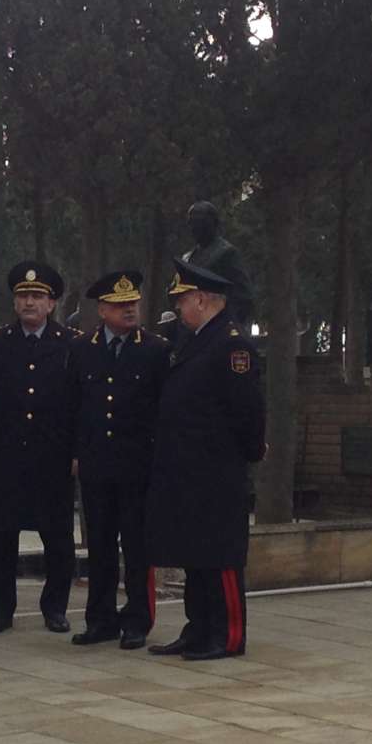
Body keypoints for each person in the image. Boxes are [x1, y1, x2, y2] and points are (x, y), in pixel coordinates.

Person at [147, 260, 265, 660]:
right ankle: (198, 628)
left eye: (182, 300)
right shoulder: (197, 339)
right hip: (190, 470)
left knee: (221, 557)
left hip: (218, 471)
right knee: (195, 555)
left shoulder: (231, 344)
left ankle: (227, 634)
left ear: (201, 299)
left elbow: (247, 411)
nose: (178, 308)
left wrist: (244, 458)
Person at [68, 271, 169, 650]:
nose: (130, 311)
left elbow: (162, 409)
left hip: (138, 464)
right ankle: (101, 619)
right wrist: (76, 452)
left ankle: (137, 620)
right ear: (102, 310)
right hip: (96, 465)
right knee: (100, 545)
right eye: (121, 305)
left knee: (138, 546)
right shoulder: (82, 350)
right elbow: (73, 406)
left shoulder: (155, 350)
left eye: (134, 304)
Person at [0, 261, 78, 634]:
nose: (29, 303)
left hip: (52, 458)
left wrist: (75, 452)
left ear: (51, 303)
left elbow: (77, 404)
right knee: (1, 538)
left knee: (58, 539)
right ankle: (0, 610)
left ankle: (55, 608)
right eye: (23, 296)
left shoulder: (70, 344)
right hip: (6, 457)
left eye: (37, 297)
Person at [182, 201, 254, 327]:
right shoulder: (189, 257)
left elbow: (243, 297)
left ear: (212, 223)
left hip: (218, 327)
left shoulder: (226, 253)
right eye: (191, 223)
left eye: (198, 222)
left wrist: (224, 325)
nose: (193, 228)